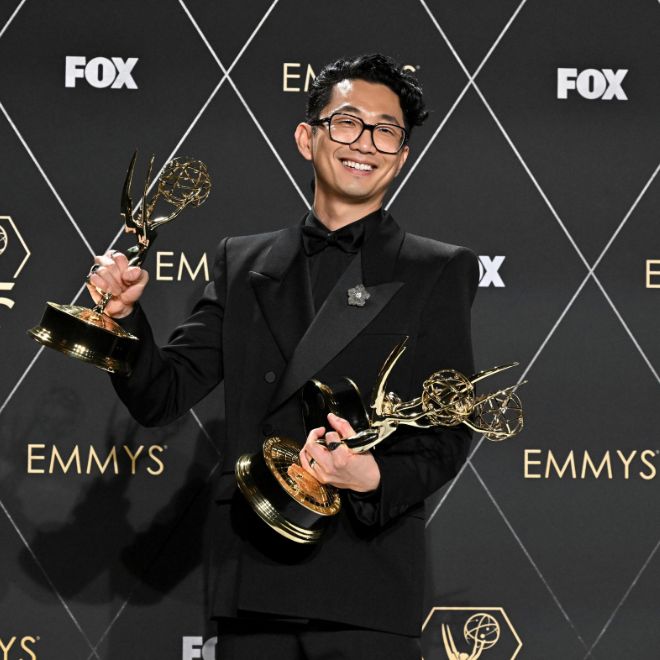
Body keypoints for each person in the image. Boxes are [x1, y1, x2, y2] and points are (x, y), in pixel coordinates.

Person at [87, 53, 479, 660]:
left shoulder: (436, 269)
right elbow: (161, 395)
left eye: (386, 131)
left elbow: (449, 427)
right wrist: (122, 320)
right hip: (254, 576)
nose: (365, 144)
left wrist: (369, 475)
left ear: (402, 156)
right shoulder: (241, 263)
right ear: (307, 137)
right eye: (347, 122)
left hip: (365, 581)